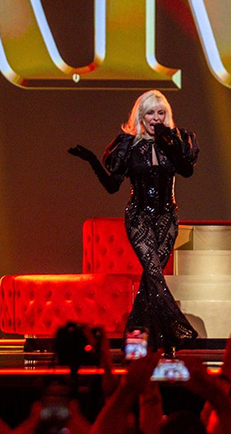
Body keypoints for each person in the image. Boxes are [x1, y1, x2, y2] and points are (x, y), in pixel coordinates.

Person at [68, 90, 199, 352]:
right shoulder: (129, 146)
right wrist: (92, 160)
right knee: (154, 274)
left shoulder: (176, 141)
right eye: (150, 113)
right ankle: (176, 331)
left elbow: (187, 171)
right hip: (139, 217)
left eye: (161, 113)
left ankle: (140, 340)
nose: (156, 118)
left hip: (167, 218)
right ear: (140, 116)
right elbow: (112, 186)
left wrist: (170, 143)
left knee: (150, 282)